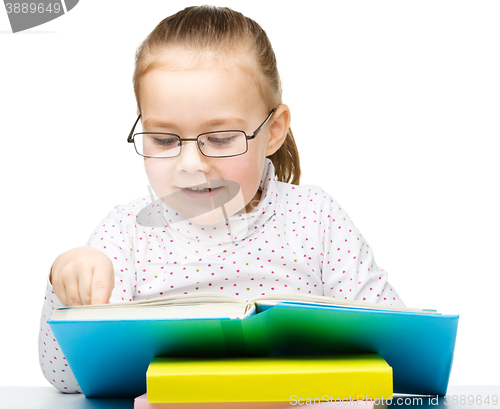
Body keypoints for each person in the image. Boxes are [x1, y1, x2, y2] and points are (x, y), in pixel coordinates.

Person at [39, 5, 405, 394]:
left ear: (274, 131)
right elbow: (67, 379)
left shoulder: (315, 218)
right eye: (164, 140)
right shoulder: (124, 234)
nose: (192, 164)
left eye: (220, 139)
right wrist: (66, 289)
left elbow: (398, 354)